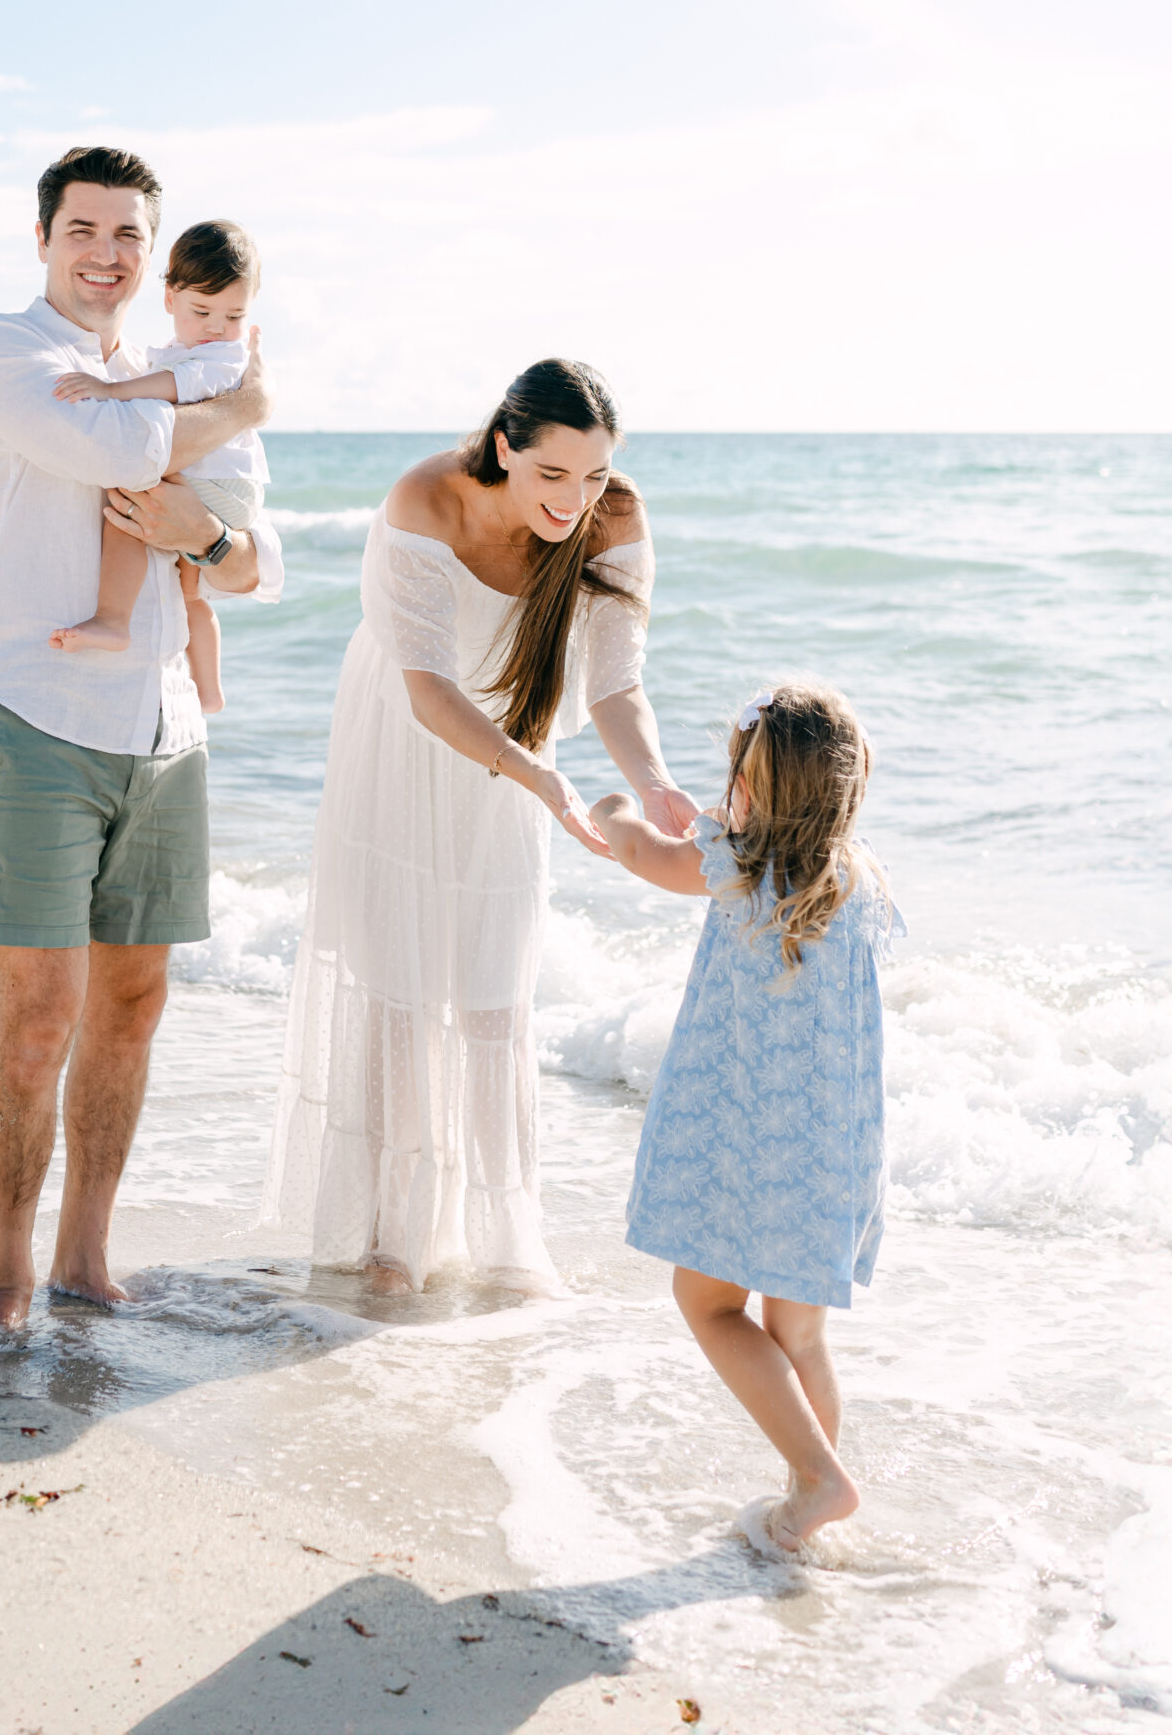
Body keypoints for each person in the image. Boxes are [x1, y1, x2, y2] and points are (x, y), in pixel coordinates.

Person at [262, 357, 700, 1297]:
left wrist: (656, 785)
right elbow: (427, 692)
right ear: (505, 447)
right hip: (407, 743)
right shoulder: (428, 499)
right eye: (552, 475)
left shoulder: (613, 517)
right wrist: (540, 777)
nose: (575, 500)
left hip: (512, 750)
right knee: (400, 995)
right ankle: (388, 1240)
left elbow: (617, 683)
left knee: (495, 999)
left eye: (593, 475)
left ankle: (503, 1237)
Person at [0, 143, 283, 1329]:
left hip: (164, 729)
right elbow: (115, 454)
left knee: (134, 1007)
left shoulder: (163, 368)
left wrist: (204, 532)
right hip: (34, 714)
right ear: (42, 238)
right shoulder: (3, 352)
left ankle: (86, 1254)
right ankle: (5, 1271)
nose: (107, 253)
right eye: (84, 229)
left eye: (130, 234)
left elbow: (258, 562)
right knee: (37, 1018)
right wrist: (233, 406)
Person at [592, 681, 899, 1554]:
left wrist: (615, 809)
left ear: (755, 789)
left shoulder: (734, 864)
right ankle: (807, 1507)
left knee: (708, 1303)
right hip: (833, 1153)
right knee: (798, 1330)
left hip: (749, 1145)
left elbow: (644, 854)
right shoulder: (858, 877)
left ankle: (819, 1480)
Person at [49, 217, 268, 716]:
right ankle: (209, 691)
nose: (216, 327)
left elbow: (173, 386)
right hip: (229, 485)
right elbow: (167, 372)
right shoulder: (189, 352)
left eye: (233, 315)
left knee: (129, 499)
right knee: (191, 595)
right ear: (169, 297)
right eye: (202, 311)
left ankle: (112, 617)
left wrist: (110, 390)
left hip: (220, 486)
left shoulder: (224, 359)